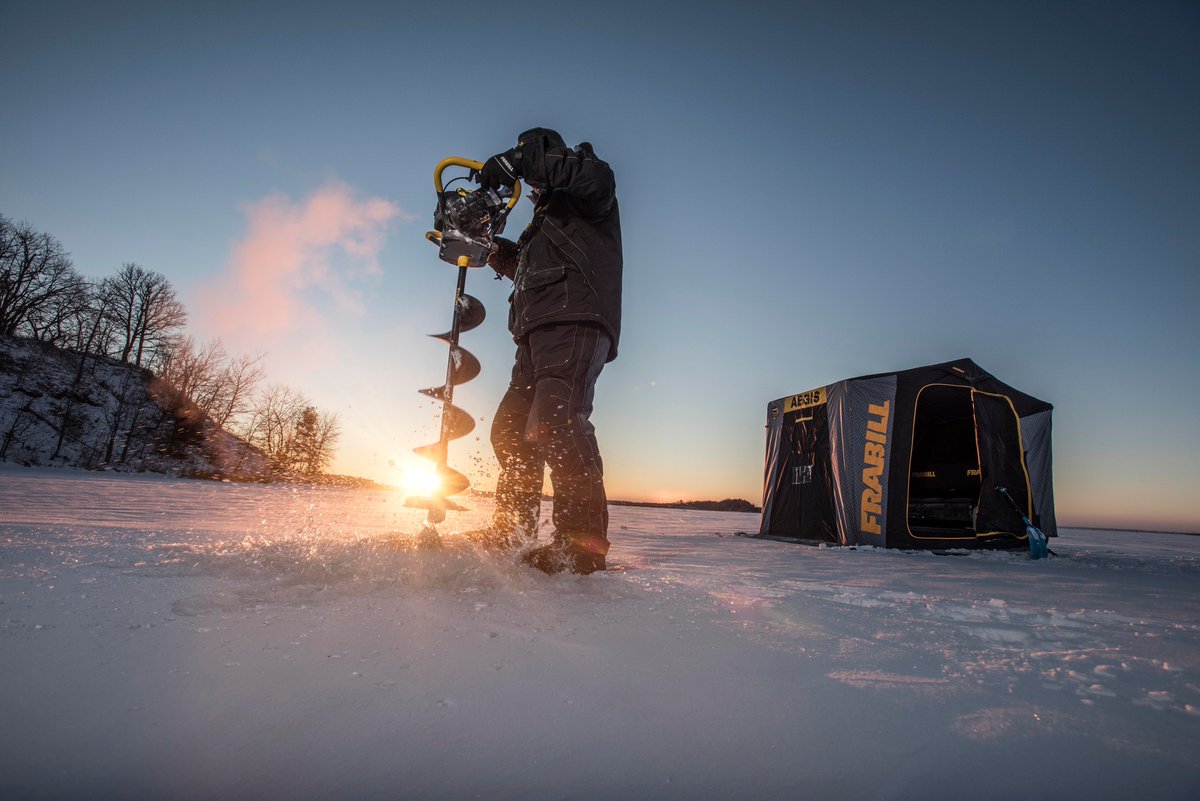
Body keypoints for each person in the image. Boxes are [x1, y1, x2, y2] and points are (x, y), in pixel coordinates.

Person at [470, 127, 622, 574]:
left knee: (559, 421)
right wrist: (488, 248)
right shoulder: (542, 225)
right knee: (510, 430)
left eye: (533, 163)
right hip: (534, 333)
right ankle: (512, 530)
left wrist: (518, 160)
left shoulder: (589, 187)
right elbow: (526, 268)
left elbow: (585, 177)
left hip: (575, 320)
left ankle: (582, 547)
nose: (532, 188)